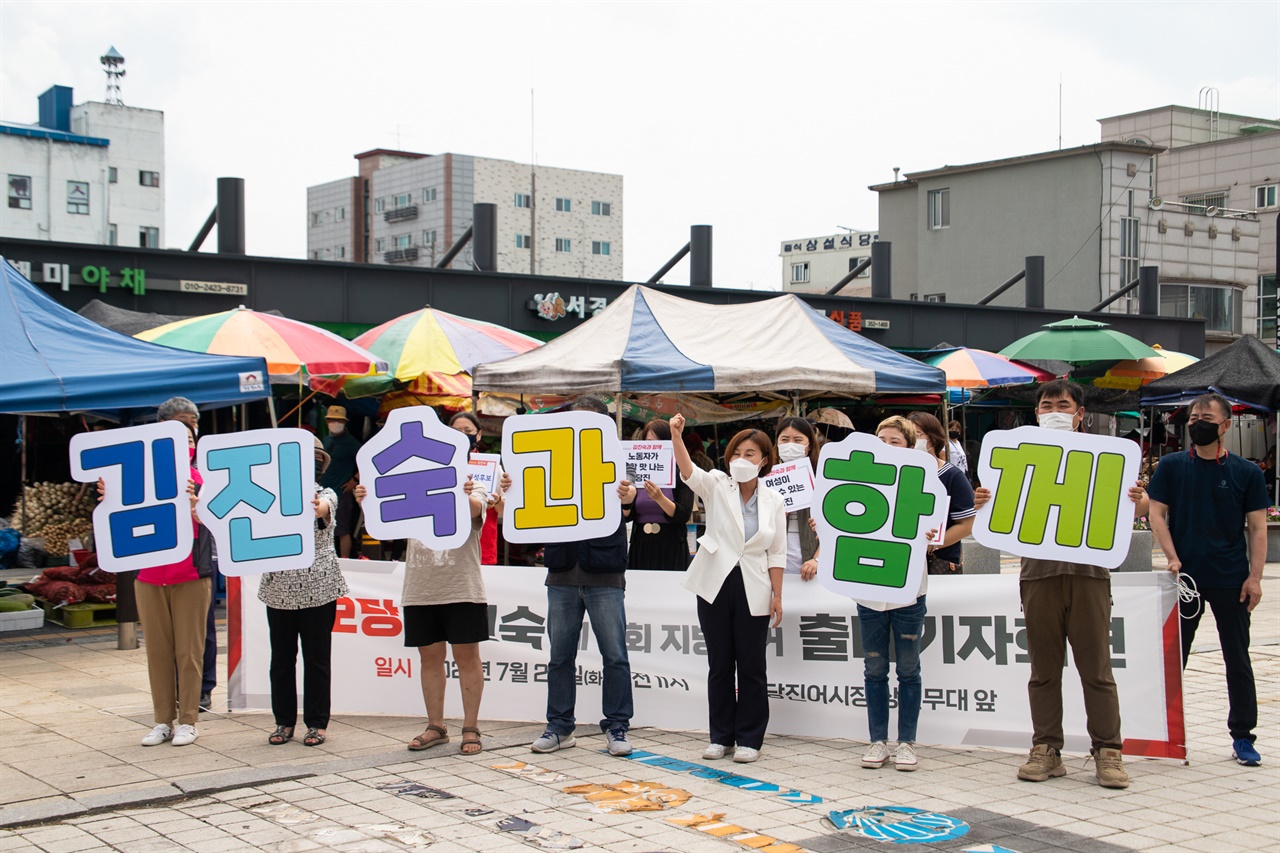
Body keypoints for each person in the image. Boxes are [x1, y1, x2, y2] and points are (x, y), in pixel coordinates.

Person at [972, 380, 1147, 788]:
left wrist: (1136, 497)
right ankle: (1046, 749)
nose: (1054, 411)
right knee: (1043, 670)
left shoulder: (1105, 457)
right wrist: (986, 500)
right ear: (1036, 413)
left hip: (1089, 576)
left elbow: (1138, 506)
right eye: (1046, 405)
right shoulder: (1020, 458)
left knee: (1097, 670)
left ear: (1080, 413)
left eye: (1063, 405)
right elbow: (999, 509)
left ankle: (1108, 751)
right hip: (1038, 575)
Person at [1147, 392, 1269, 767]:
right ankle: (1155, 728)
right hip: (1185, 578)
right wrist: (1171, 557)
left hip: (1231, 579)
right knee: (1171, 658)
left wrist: (1255, 578)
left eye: (1207, 417)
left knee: (1237, 658)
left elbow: (1258, 529)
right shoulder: (1171, 466)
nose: (1198, 421)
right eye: (1194, 415)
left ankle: (1243, 736)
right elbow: (1156, 514)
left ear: (1226, 426)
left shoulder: (1246, 472)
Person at [518, 396, 636, 757]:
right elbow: (529, 505)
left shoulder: (617, 461)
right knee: (560, 656)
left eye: (588, 420)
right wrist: (513, 487)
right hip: (562, 571)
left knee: (614, 654)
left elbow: (631, 506)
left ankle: (617, 726)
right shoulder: (550, 461)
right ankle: (559, 726)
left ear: (604, 425)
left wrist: (628, 497)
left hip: (605, 573)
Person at [354, 455, 490, 755]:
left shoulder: (473, 484)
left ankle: (471, 727)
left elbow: (476, 509)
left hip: (462, 586)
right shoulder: (411, 486)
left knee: (467, 657)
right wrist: (367, 500)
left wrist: (456, 490)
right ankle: (436, 725)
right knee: (429, 657)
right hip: (420, 586)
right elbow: (384, 522)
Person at [671, 412, 785, 764]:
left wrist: (778, 594)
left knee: (752, 665)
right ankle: (720, 737)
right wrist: (677, 435)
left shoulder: (774, 499)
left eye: (750, 453)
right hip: (715, 583)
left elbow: (776, 550)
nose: (741, 459)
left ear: (764, 460)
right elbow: (688, 471)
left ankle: (750, 738)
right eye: (736, 452)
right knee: (720, 663)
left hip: (755, 585)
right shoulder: (718, 484)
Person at [854, 416, 963, 772]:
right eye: (880, 438)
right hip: (868, 589)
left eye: (895, 441)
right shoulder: (857, 480)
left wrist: (937, 538)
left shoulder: (927, 482)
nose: (886, 446)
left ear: (911, 445)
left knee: (909, 668)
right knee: (873, 667)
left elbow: (954, 523)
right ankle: (876, 741)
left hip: (909, 589)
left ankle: (906, 742)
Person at [258, 437, 349, 747]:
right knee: (281, 660)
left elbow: (322, 509)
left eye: (309, 459)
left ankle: (317, 723)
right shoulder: (265, 498)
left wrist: (313, 503)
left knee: (317, 658)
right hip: (278, 589)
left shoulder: (326, 494)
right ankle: (283, 721)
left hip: (319, 588)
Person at [124, 423, 211, 747]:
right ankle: (162, 720)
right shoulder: (138, 479)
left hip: (189, 575)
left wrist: (195, 503)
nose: (184, 445)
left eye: (189, 439)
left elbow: (216, 519)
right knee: (157, 652)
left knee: (189, 652)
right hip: (147, 576)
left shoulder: (202, 479)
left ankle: (189, 719)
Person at [156, 396, 217, 714]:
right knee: (165, 633)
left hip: (197, 559)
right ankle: (171, 693)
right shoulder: (148, 468)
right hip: (158, 565)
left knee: (200, 629)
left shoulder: (205, 469)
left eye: (192, 424)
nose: (188, 430)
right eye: (180, 423)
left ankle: (202, 690)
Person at [907, 411, 976, 575]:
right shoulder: (898, 475)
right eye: (908, 436)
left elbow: (967, 525)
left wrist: (932, 544)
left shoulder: (952, 476)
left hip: (938, 561)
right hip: (901, 561)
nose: (913, 441)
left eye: (918, 434)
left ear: (934, 438)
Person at [622, 418, 693, 571]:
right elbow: (626, 516)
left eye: (660, 442)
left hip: (672, 543)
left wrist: (660, 499)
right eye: (648, 442)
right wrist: (626, 502)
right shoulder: (633, 471)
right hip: (641, 543)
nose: (653, 447)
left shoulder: (682, 471)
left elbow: (684, 515)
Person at [449, 412, 504, 566]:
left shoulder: (493, 467)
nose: (462, 435)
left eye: (468, 431)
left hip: (482, 548)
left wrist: (496, 501)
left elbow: (505, 510)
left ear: (478, 435)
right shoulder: (440, 467)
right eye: (456, 431)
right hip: (447, 549)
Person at [774, 417, 820, 581]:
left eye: (798, 440)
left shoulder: (822, 480)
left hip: (811, 570)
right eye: (785, 440)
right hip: (773, 569)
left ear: (809, 446)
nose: (790, 445)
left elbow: (835, 528)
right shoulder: (765, 481)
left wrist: (817, 559)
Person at [321, 405, 362, 558]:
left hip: (341, 493)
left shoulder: (351, 442)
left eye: (339, 420)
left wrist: (355, 480)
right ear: (327, 421)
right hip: (324, 493)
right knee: (325, 530)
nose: (335, 423)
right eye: (332, 419)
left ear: (345, 423)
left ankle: (344, 560)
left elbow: (367, 461)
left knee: (343, 531)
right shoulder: (326, 439)